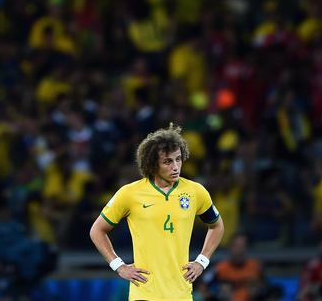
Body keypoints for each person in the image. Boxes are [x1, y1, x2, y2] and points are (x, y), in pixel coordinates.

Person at [89, 123, 225, 300]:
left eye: (178, 159)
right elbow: (97, 230)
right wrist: (119, 266)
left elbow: (217, 226)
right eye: (167, 161)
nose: (175, 166)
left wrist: (202, 261)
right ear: (152, 163)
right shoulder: (129, 194)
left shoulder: (196, 192)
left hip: (181, 294)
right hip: (144, 293)